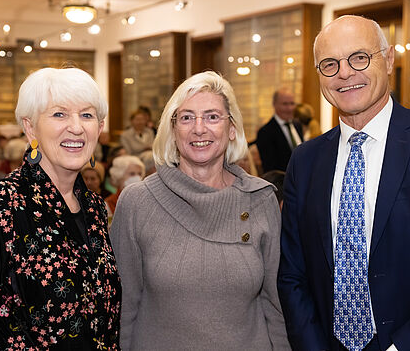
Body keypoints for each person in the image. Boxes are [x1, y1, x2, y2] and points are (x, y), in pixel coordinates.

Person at [278, 15, 410, 351]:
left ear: (389, 59)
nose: (345, 73)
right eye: (329, 64)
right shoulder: (305, 160)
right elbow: (292, 276)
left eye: (359, 57)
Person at [0, 67, 121, 349]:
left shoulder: (94, 209)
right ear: (30, 127)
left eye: (87, 115)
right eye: (59, 113)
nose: (77, 127)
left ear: (99, 128)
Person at [111, 71, 290, 350]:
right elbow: (123, 310)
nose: (199, 128)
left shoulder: (261, 199)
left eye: (212, 116)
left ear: (232, 129)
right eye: (186, 117)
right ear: (172, 129)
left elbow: (275, 307)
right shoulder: (137, 202)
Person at [256, 89, 303, 172]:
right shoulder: (265, 132)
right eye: (285, 104)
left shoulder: (297, 125)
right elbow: (270, 168)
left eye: (292, 103)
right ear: (274, 105)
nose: (289, 108)